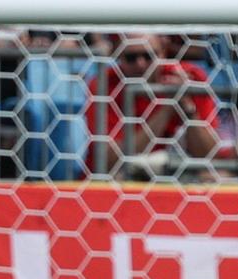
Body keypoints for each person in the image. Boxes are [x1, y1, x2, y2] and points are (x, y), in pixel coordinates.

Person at [86, 33, 220, 176]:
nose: (140, 64)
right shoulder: (103, 85)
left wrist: (188, 109)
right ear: (118, 56)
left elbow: (209, 156)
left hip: (178, 174)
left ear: (163, 52)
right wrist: (169, 106)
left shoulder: (190, 78)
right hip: (124, 177)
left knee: (213, 176)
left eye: (149, 56)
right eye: (131, 58)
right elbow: (110, 161)